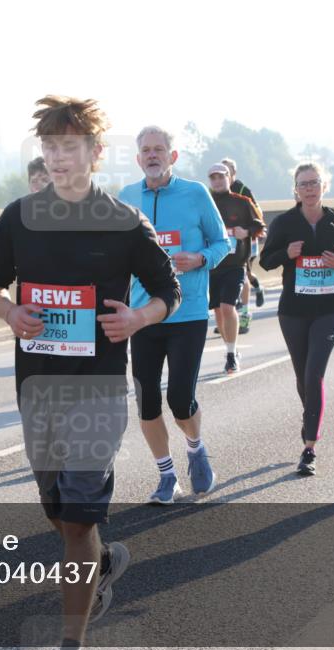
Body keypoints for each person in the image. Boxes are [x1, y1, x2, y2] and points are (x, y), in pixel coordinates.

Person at [0, 95, 181, 650]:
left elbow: (169, 289)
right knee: (57, 512)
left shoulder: (122, 220)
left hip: (96, 388)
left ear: (95, 153)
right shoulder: (19, 216)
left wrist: (139, 318)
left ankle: (71, 647)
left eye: (69, 147)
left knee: (75, 520)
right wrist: (9, 312)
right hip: (37, 387)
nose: (58, 157)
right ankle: (103, 561)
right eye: (49, 147)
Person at [118, 126, 231, 504]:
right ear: (138, 159)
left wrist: (201, 258)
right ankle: (167, 475)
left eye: (159, 149)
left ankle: (196, 447)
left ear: (173, 156)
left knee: (180, 399)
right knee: (146, 398)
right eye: (146, 150)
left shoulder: (196, 193)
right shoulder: (126, 197)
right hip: (142, 314)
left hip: (189, 310)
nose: (153, 155)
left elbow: (223, 242)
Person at [259, 162, 334, 476]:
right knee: (303, 376)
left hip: (329, 308)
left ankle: (309, 446)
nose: (309, 189)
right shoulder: (286, 222)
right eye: (303, 184)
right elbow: (264, 261)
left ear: (324, 186)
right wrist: (286, 254)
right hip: (294, 310)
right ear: (296, 189)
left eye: (314, 183)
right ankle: (311, 418)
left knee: (314, 374)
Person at [207, 163, 263, 374]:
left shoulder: (243, 202)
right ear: (210, 181)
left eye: (221, 177)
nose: (218, 181)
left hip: (235, 264)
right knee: (218, 312)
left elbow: (260, 226)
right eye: (213, 178)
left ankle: (231, 355)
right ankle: (231, 348)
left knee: (228, 307)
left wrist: (246, 231)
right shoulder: (206, 202)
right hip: (212, 265)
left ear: (229, 178)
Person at [220, 157, 264, 328]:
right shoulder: (215, 192)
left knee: (243, 273)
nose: (223, 176)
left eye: (227, 172)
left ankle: (244, 313)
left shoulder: (243, 190)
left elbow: (258, 215)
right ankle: (228, 317)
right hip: (224, 242)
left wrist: (246, 230)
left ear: (233, 174)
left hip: (243, 240)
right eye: (220, 172)